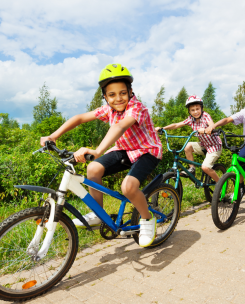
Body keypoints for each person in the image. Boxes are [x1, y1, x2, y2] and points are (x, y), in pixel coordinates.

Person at [39, 64, 162, 247]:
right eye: (112, 95)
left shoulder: (137, 108)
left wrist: (97, 151)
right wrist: (54, 135)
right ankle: (98, 213)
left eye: (122, 93)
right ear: (105, 97)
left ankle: (146, 218)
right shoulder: (108, 109)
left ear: (130, 92)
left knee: (128, 187)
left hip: (147, 150)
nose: (118, 98)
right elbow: (80, 118)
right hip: (125, 150)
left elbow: (119, 126)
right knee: (93, 168)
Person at [155, 95, 222, 182]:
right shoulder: (191, 119)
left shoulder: (205, 116)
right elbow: (177, 125)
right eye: (192, 110)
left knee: (205, 167)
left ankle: (220, 183)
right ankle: (192, 169)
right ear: (189, 111)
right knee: (188, 146)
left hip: (214, 146)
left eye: (197, 109)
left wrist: (207, 130)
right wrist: (162, 128)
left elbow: (212, 125)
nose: (195, 112)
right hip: (204, 145)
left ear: (201, 108)